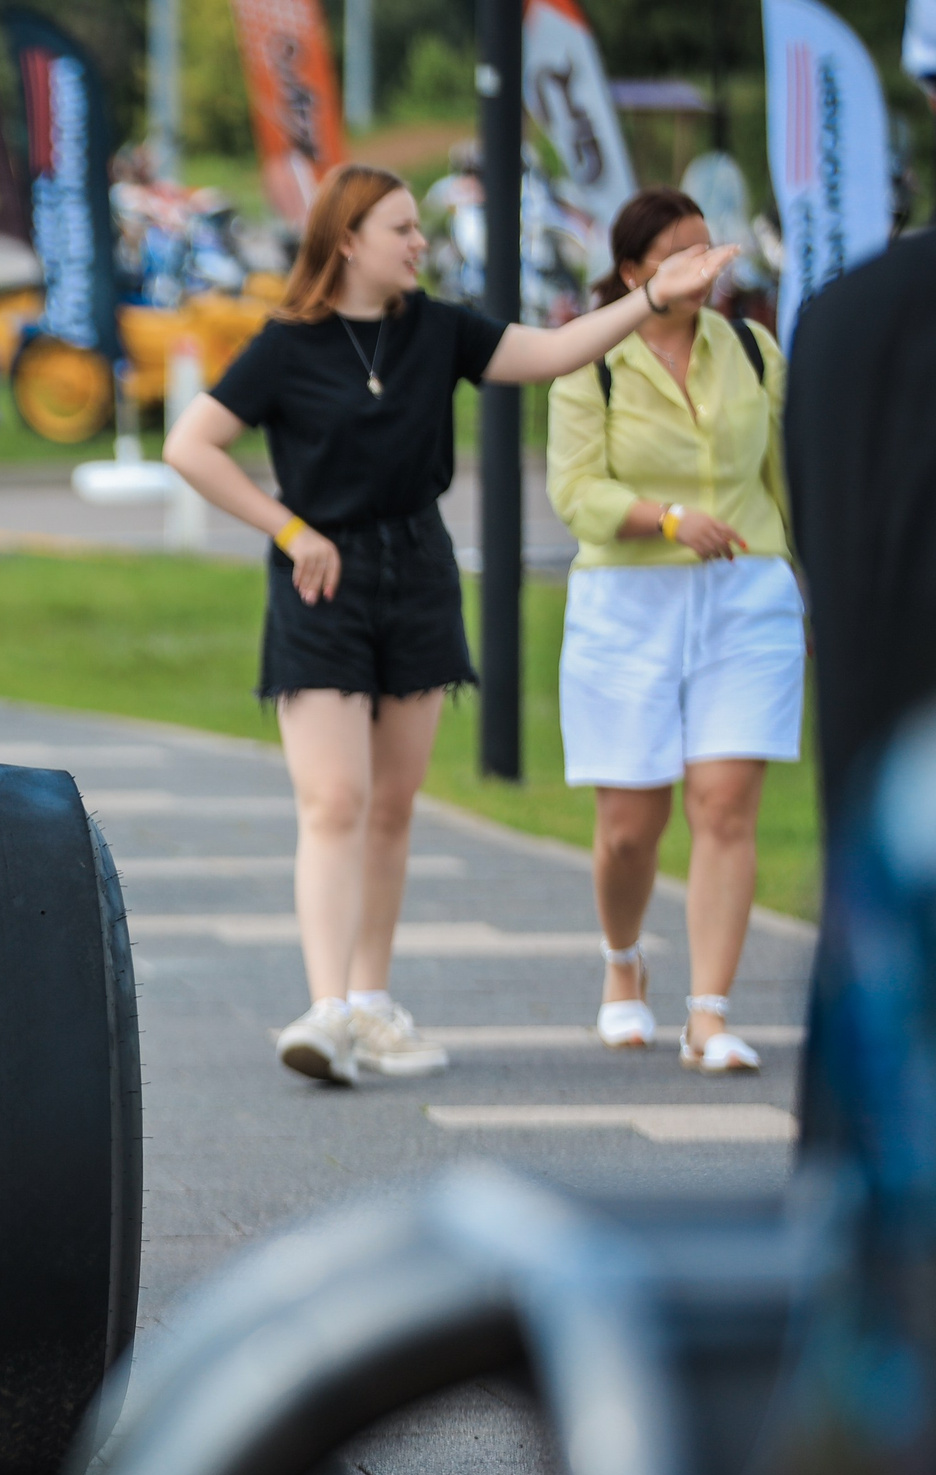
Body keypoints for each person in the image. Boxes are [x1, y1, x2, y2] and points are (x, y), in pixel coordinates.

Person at [162, 162, 738, 1086]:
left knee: (391, 808)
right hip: (322, 579)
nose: (421, 243)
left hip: (420, 573)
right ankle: (328, 1010)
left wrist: (648, 296)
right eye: (403, 228)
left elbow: (554, 354)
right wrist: (288, 527)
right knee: (335, 802)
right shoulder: (285, 344)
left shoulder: (437, 330)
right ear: (347, 240)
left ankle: (372, 1002)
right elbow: (188, 446)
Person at [545, 187, 801, 1075]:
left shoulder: (753, 348)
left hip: (747, 593)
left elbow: (786, 482)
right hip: (628, 601)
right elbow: (574, 492)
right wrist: (664, 517)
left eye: (712, 252)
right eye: (681, 257)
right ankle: (624, 966)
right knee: (629, 825)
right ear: (631, 273)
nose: (707, 270)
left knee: (725, 805)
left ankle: (709, 1012)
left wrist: (824, 584)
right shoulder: (596, 358)